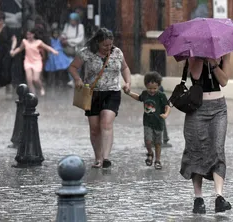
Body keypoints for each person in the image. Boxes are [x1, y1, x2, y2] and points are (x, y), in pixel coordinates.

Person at [68, 27, 131, 168]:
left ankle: (106, 158)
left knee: (106, 123)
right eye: (105, 45)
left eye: (110, 44)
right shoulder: (86, 53)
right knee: (94, 128)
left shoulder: (117, 52)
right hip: (92, 93)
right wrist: (77, 79)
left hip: (112, 92)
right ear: (97, 42)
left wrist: (127, 83)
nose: (108, 47)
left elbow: (125, 68)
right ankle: (98, 158)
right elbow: (72, 67)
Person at [180, 55, 231, 214]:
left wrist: (214, 63)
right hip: (197, 107)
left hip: (218, 108)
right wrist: (200, 56)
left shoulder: (224, 51)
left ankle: (219, 197)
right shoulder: (193, 51)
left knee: (217, 149)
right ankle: (198, 198)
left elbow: (223, 81)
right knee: (195, 150)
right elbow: (195, 75)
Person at [124, 71, 171, 170]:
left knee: (158, 143)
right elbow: (138, 98)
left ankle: (157, 160)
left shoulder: (161, 95)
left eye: (155, 88)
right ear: (146, 86)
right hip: (147, 123)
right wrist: (128, 93)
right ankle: (150, 153)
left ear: (158, 86)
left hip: (159, 123)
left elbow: (167, 106)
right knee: (148, 141)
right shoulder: (145, 94)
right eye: (150, 88)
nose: (152, 91)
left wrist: (166, 114)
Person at [10, 28, 59, 96]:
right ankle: (33, 93)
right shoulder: (24, 41)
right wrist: (14, 52)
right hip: (28, 61)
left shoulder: (38, 42)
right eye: (27, 34)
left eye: (30, 34)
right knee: (29, 79)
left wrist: (54, 51)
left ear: (33, 34)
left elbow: (47, 47)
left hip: (37, 61)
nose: (28, 36)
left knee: (35, 79)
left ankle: (41, 88)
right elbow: (20, 48)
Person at [61, 12, 85, 87]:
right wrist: (63, 37)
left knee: (78, 65)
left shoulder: (80, 26)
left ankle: (77, 79)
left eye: (73, 20)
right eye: (71, 20)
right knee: (69, 64)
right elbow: (64, 34)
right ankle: (72, 79)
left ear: (77, 20)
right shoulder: (67, 25)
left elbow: (80, 39)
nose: (72, 22)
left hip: (77, 48)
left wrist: (69, 41)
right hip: (69, 48)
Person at [0, 12, 17, 89]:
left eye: (0, 20)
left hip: (5, 51)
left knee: (5, 68)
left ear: (3, 20)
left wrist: (12, 49)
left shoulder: (7, 29)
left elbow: (14, 39)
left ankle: (5, 85)